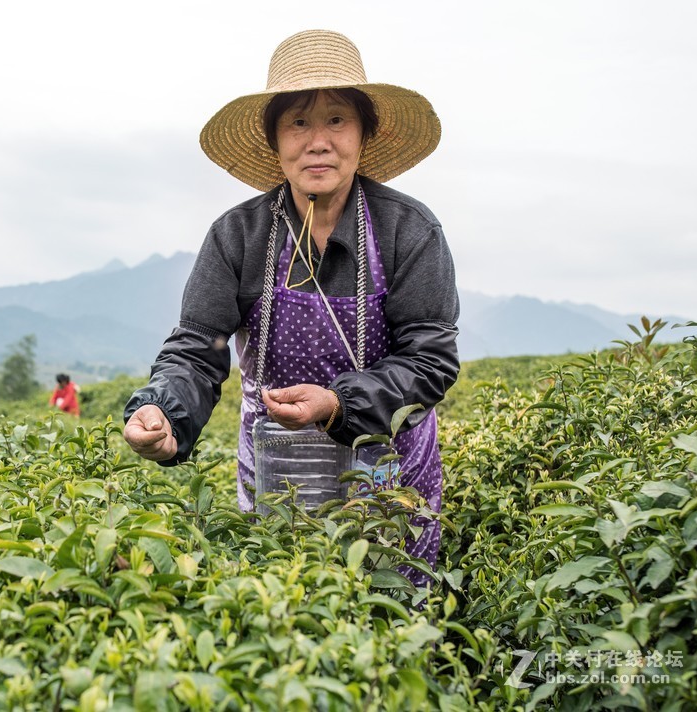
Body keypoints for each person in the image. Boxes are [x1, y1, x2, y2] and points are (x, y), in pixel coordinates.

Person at [122, 30, 458, 587]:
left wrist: (336, 403)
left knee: (389, 623)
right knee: (282, 618)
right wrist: (164, 409)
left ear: (363, 134)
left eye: (336, 120)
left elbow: (429, 361)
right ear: (276, 140)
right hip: (276, 467)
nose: (318, 141)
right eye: (298, 122)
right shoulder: (240, 236)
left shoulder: (408, 230)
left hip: (388, 470)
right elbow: (198, 347)